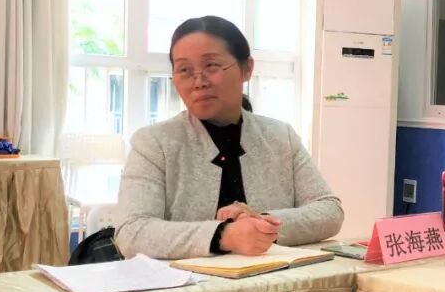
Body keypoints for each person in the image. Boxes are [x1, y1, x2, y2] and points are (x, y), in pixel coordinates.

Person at [115, 16, 344, 260]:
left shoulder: (280, 137)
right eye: (184, 70)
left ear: (247, 68)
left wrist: (262, 225)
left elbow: (329, 210)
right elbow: (132, 232)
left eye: (211, 66)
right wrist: (225, 235)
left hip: (273, 279)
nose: (198, 82)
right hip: (187, 283)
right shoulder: (154, 143)